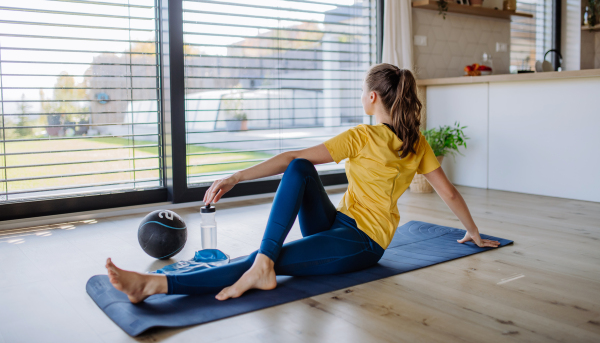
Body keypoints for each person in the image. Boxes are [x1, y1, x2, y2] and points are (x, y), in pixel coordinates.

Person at [106, 63, 499, 303]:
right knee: (299, 169)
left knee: (268, 252)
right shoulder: (416, 142)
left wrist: (236, 177)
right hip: (338, 224)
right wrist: (473, 232)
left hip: (363, 245)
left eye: (364, 92)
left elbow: (288, 159)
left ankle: (156, 285)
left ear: (373, 97)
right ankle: (264, 261)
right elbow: (447, 191)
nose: (362, 97)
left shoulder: (362, 137)